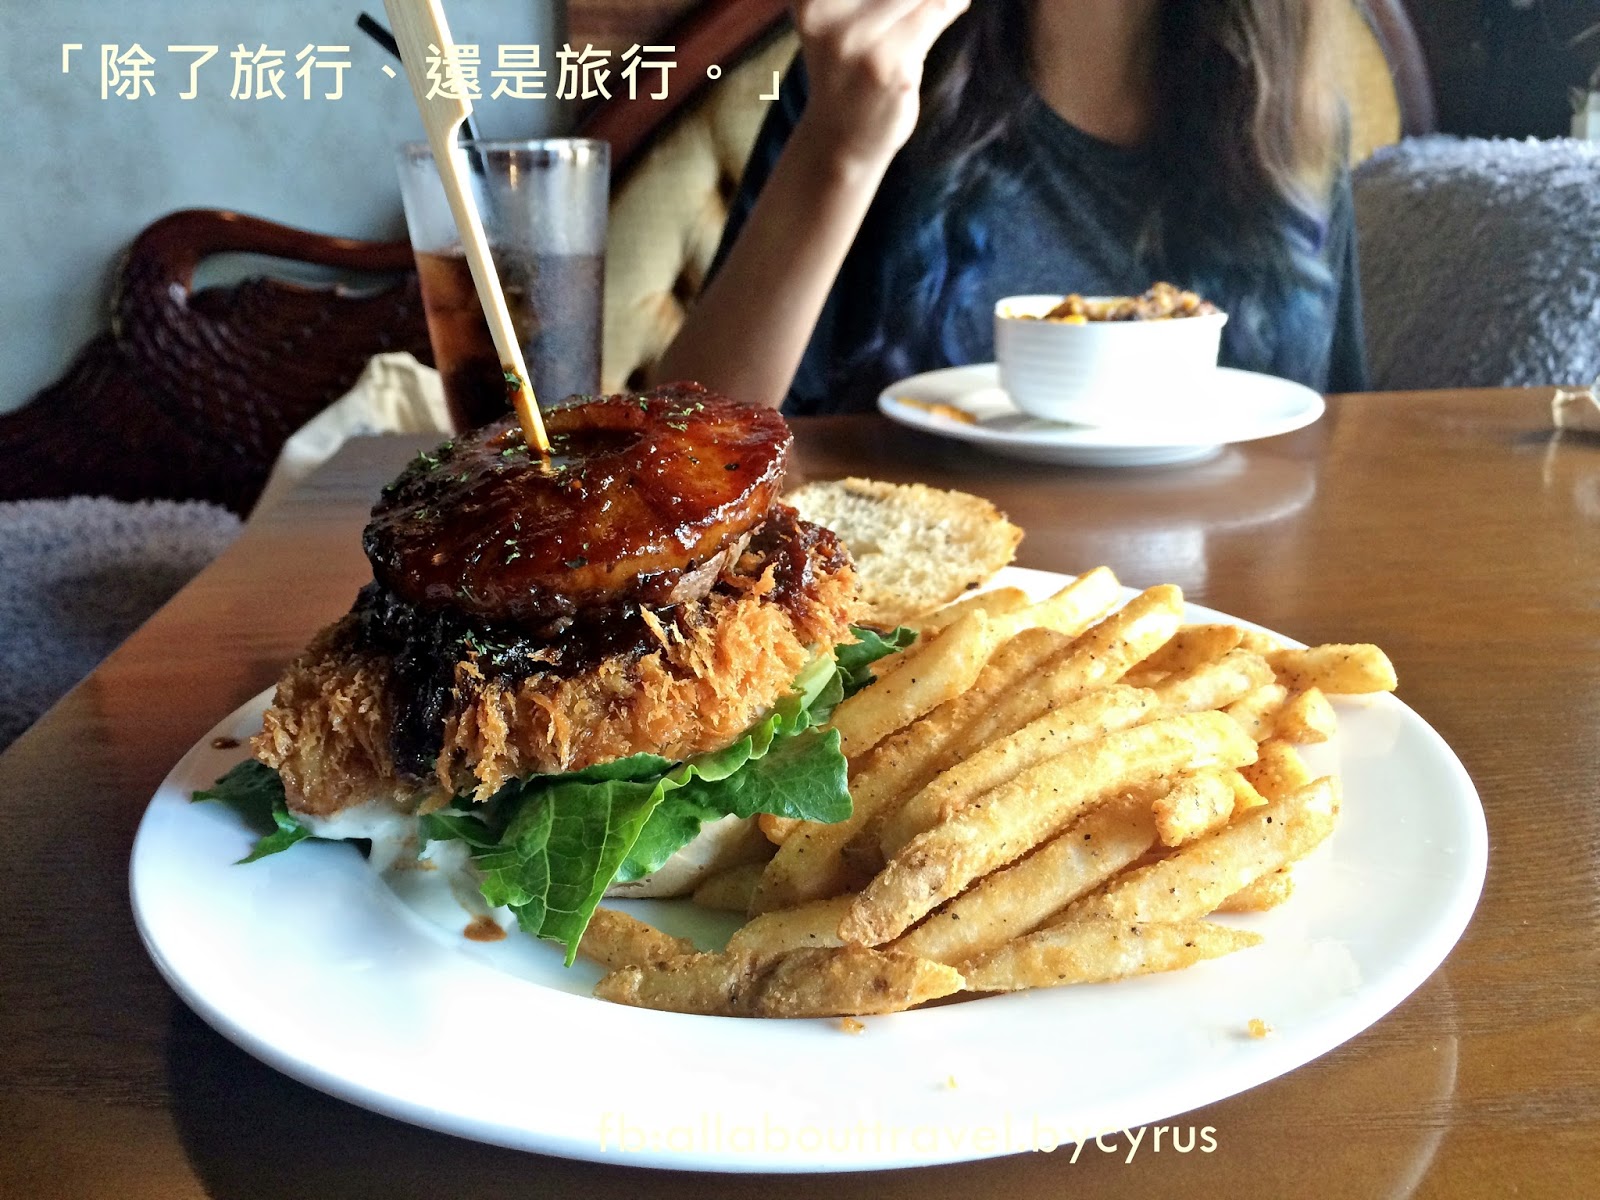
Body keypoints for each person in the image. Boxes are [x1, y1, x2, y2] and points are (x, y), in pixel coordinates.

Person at [651, 0, 1369, 414]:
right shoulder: (872, 75)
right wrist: (841, 147)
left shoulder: (1292, 125)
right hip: (913, 602)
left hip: (1229, 603)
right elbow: (689, 433)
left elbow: (1335, 439)